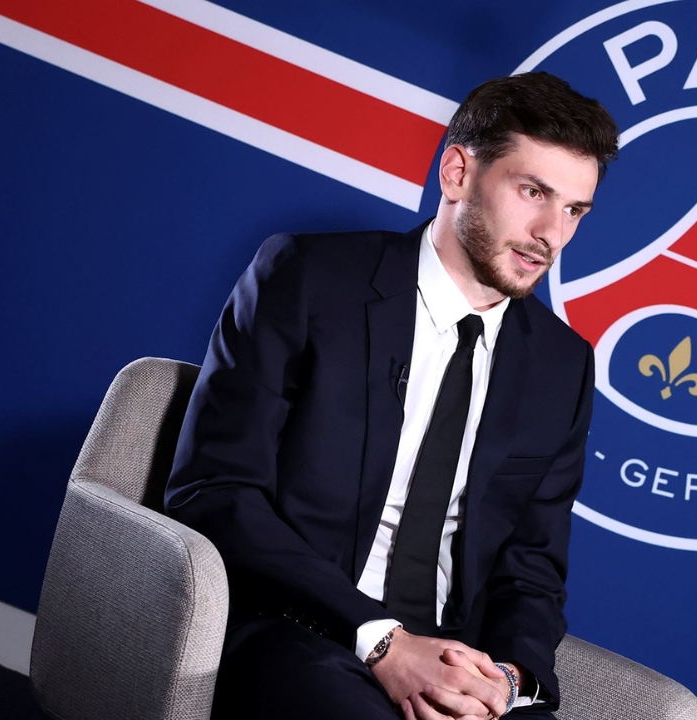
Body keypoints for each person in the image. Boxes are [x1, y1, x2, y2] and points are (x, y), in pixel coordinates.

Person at [164, 72, 619, 720]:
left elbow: (531, 569)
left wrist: (506, 681)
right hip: (299, 630)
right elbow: (215, 491)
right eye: (533, 192)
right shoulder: (310, 280)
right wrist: (383, 641)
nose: (552, 232)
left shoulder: (561, 365)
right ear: (457, 173)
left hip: (454, 661)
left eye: (575, 210)